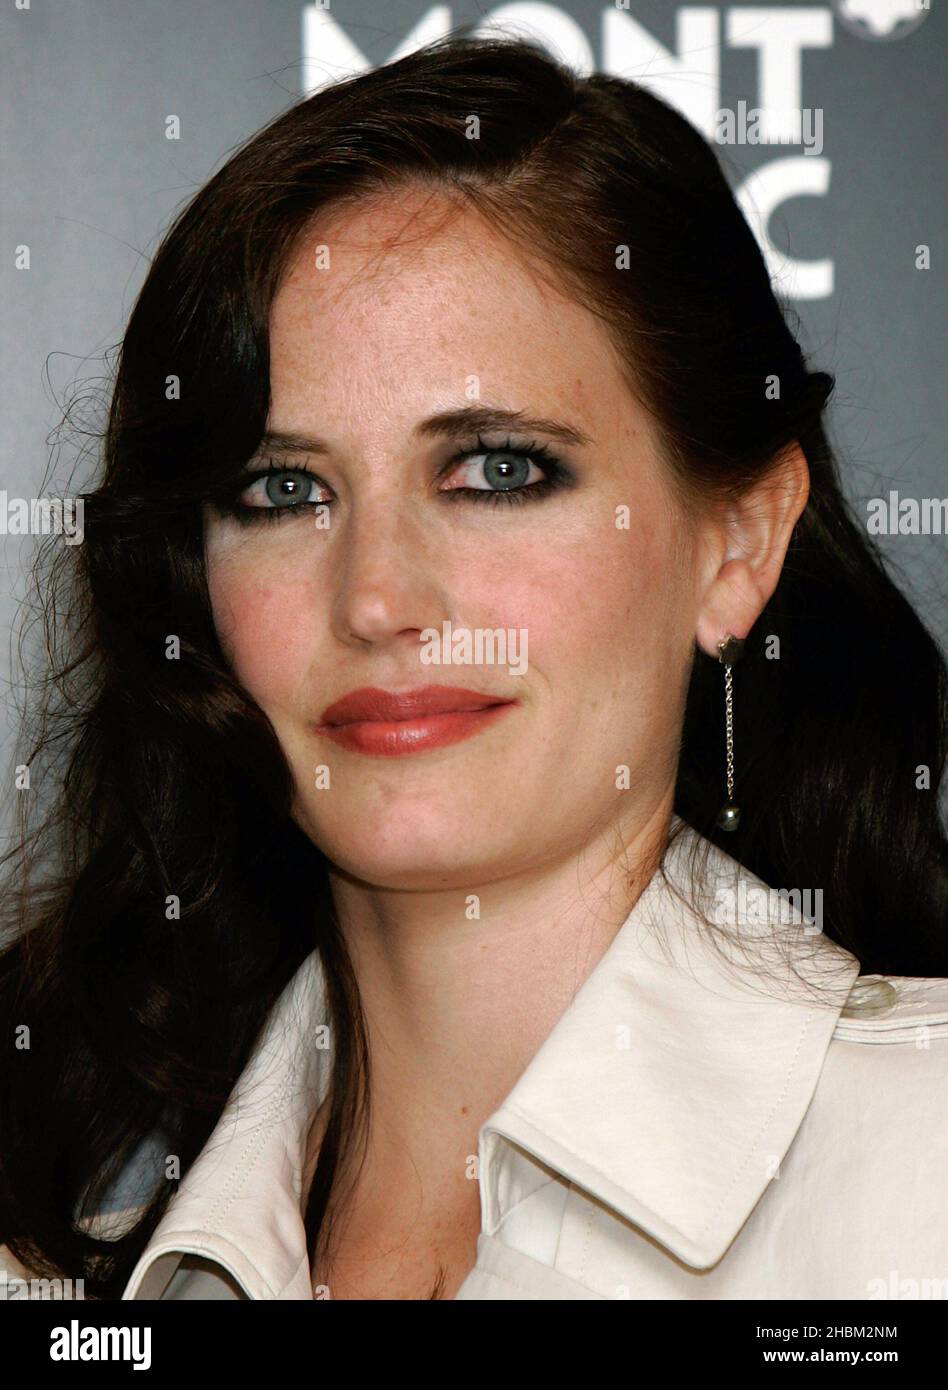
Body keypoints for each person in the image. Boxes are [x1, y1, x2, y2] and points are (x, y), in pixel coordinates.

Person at [1, 32, 945, 1302]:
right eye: (284, 491)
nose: (380, 597)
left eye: (499, 469)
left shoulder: (918, 1172)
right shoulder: (44, 1224)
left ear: (738, 542)